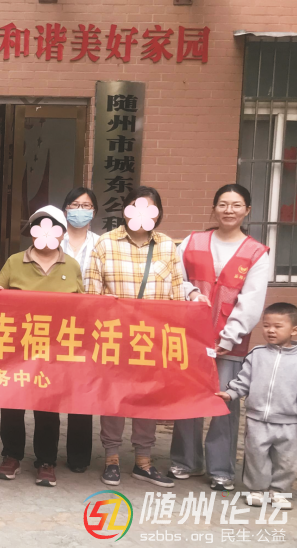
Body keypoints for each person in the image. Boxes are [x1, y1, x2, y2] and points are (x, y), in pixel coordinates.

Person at [170, 184, 271, 491]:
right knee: (187, 398)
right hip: (189, 337)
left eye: (236, 205)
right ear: (214, 208)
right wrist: (191, 292)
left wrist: (228, 338)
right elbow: (174, 277)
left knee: (223, 404)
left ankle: (221, 468)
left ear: (247, 210)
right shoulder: (192, 242)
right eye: (223, 204)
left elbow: (252, 301)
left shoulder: (257, 252)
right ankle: (185, 460)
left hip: (230, 344)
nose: (229, 210)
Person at [85, 185, 184, 488]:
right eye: (135, 206)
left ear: (158, 213)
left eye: (149, 207)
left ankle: (144, 461)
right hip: (114, 337)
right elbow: (91, 294)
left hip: (152, 339)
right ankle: (112, 459)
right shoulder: (105, 243)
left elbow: (177, 294)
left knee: (147, 399)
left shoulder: (167, 246)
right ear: (125, 210)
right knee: (113, 399)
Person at [0, 206, 83, 487]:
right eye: (39, 226)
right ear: (31, 232)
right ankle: (11, 455)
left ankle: (46, 461)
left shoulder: (71, 266)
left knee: (48, 406)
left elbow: (83, 306)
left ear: (61, 233)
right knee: (12, 403)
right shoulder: (14, 262)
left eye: (52, 227)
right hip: (16, 348)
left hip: (54, 351)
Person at [216, 302, 296, 511]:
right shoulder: (257, 353)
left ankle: (279, 491)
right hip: (257, 418)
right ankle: (257, 490)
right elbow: (243, 380)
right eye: (266, 325)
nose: (271, 330)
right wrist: (231, 393)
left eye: (278, 326)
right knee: (256, 455)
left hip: (290, 422)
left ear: (294, 330)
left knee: (286, 460)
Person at [59, 186, 100, 473]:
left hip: (90, 326)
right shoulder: (51, 239)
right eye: (74, 205)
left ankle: (78, 455)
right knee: (50, 385)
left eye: (86, 206)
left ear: (94, 212)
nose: (80, 210)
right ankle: (45, 454)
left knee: (82, 390)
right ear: (65, 210)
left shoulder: (103, 244)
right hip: (54, 326)